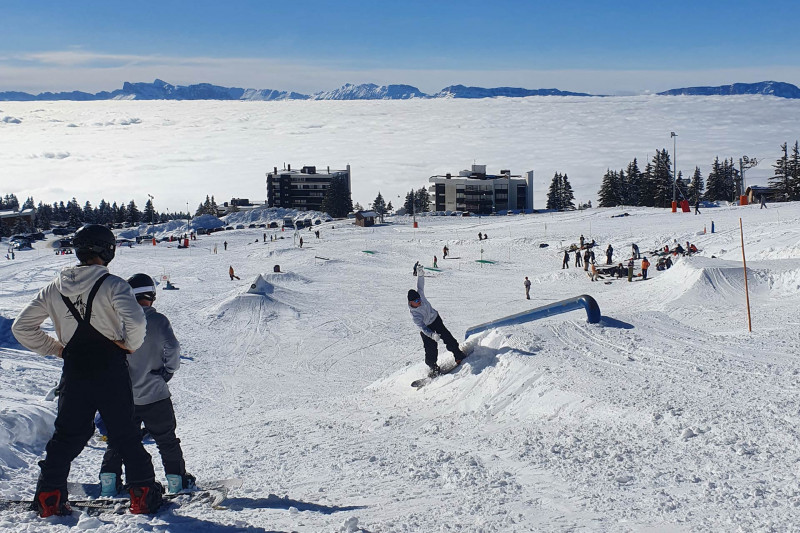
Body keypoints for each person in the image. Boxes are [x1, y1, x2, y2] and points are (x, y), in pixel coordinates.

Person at [11, 224, 162, 517]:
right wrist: (129, 345)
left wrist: (57, 349)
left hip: (75, 369)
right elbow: (137, 322)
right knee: (124, 433)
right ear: (108, 251)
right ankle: (142, 494)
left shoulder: (54, 288)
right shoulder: (114, 284)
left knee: (67, 435)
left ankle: (49, 496)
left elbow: (22, 328)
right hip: (110, 367)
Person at [99, 274, 194, 496]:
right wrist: (168, 371)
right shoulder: (158, 320)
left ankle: (108, 483)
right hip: (155, 395)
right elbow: (173, 348)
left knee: (118, 441)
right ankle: (176, 482)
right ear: (151, 295)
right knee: (166, 440)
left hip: (123, 397)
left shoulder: (116, 322)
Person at [408, 262, 465, 377]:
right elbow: (422, 328)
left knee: (448, 337)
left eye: (419, 299)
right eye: (417, 301)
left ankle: (458, 355)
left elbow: (420, 285)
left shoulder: (420, 296)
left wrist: (420, 274)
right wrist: (432, 335)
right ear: (411, 302)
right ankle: (434, 368)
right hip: (427, 329)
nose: (420, 302)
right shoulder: (415, 315)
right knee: (430, 350)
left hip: (435, 320)